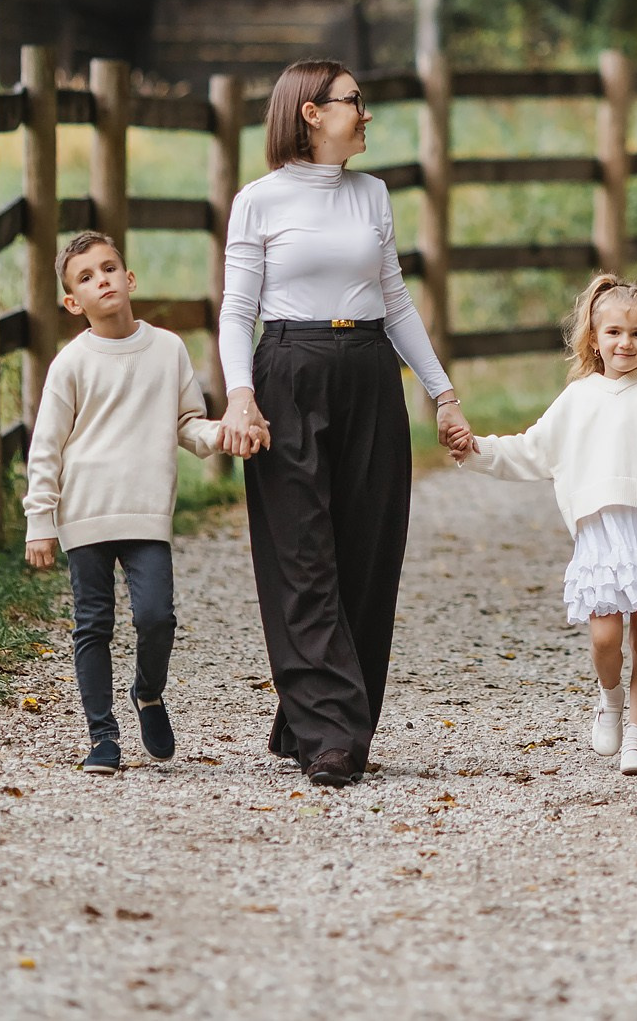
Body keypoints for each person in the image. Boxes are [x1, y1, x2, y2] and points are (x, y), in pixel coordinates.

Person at [215, 60, 477, 788]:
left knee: (368, 550)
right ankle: (332, 730)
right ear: (310, 112)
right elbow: (238, 311)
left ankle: (313, 707)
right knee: (301, 551)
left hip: (368, 370)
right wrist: (241, 395)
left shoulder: (373, 194)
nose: (366, 113)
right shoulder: (258, 201)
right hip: (288, 369)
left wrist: (443, 393)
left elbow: (394, 301)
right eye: (354, 101)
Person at [449, 274, 637, 776]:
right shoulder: (578, 399)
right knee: (605, 638)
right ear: (593, 336)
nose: (625, 343)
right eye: (613, 332)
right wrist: (475, 450)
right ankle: (609, 698)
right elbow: (531, 450)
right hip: (601, 532)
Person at [23, 231, 226, 776]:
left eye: (109, 268)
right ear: (73, 303)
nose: (102, 280)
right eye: (86, 277)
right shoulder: (70, 363)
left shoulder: (168, 349)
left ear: (129, 278)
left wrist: (219, 435)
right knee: (93, 625)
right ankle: (102, 737)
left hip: (145, 511)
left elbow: (188, 422)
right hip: (84, 513)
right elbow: (46, 446)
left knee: (157, 616)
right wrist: (39, 520)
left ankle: (148, 693)